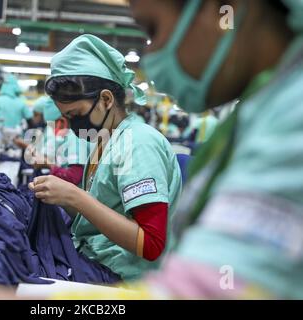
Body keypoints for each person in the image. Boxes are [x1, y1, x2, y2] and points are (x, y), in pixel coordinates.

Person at [79, 0, 302, 299]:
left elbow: (216, 289)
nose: (151, 56)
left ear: (225, 10)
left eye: (153, 29)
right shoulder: (263, 108)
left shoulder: (292, 111)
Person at [29, 34, 182, 281]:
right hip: (96, 260)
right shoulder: (105, 141)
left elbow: (151, 244)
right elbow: (102, 215)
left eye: (76, 113)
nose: (71, 123)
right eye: (65, 116)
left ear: (106, 99)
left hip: (125, 278)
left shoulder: (138, 144)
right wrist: (61, 197)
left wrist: (75, 197)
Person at [27, 96, 91, 186]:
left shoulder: (75, 139)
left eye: (52, 126)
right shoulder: (68, 137)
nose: (51, 131)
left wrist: (48, 164)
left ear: (62, 122)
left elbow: (73, 177)